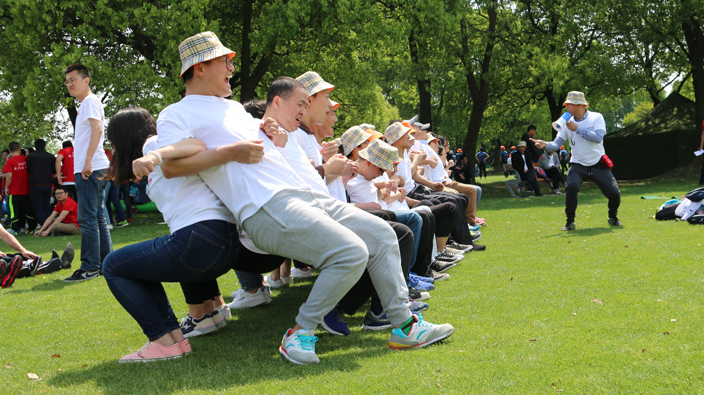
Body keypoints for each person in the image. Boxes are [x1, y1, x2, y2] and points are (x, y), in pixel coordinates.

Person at [155, 32, 453, 365]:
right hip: (265, 207)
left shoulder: (235, 111)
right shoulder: (175, 114)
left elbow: (268, 147)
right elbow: (170, 167)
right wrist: (231, 152)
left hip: (306, 197)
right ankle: (301, 331)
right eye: (224, 61)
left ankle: (404, 326)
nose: (231, 66)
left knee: (383, 235)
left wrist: (276, 137)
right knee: (351, 252)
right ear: (200, 67)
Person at [102, 106, 254, 362]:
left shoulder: (153, 144)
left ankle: (162, 341)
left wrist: (154, 155)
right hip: (220, 241)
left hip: (201, 237)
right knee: (137, 265)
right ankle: (175, 339)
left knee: (113, 265)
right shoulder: (155, 149)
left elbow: (195, 143)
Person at [534, 91, 621, 231]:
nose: (566, 108)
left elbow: (598, 138)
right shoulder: (566, 123)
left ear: (580, 105)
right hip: (578, 164)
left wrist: (578, 128)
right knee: (572, 187)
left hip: (598, 163)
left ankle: (613, 217)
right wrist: (545, 144)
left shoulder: (596, 117)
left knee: (614, 194)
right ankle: (570, 222)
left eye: (568, 105)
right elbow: (556, 144)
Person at [63, 63, 113, 282]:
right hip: (94, 166)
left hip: (90, 168)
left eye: (73, 79)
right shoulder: (86, 103)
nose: (69, 84)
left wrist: (88, 160)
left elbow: (98, 129)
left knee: (88, 219)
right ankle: (107, 264)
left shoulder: (90, 101)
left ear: (86, 80)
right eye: (67, 81)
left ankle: (90, 267)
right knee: (98, 218)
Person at [2, 142, 36, 234]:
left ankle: (15, 229)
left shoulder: (10, 161)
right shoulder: (26, 159)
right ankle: (32, 228)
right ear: (19, 149)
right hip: (26, 189)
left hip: (14, 191)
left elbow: (9, 175)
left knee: (14, 211)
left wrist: (6, 187)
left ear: (10, 151)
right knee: (28, 210)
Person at [27, 138, 56, 226]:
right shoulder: (51, 156)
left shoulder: (31, 156)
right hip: (47, 183)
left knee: (38, 207)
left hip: (35, 183)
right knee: (46, 206)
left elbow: (28, 169)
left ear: (35, 147)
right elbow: (54, 170)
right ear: (44, 146)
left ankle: (44, 226)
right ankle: (48, 225)